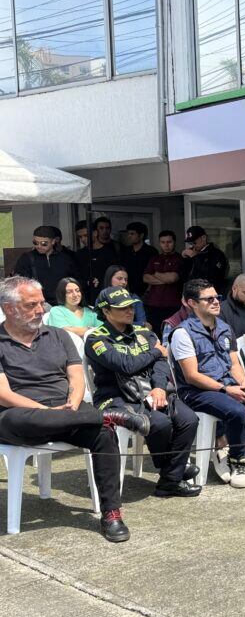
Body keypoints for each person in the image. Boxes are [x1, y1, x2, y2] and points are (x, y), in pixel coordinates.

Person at [0, 276, 146, 541]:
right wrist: (50, 412)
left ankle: (111, 513)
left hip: (68, 411)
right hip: (21, 418)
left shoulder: (58, 335)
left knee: (103, 434)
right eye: (32, 305)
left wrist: (72, 404)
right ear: (9, 308)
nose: (41, 310)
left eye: (42, 303)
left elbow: (77, 379)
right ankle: (103, 415)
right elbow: (4, 394)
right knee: (16, 419)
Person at [86, 287, 201, 499]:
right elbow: (125, 365)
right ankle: (173, 473)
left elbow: (161, 364)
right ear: (106, 312)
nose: (130, 311)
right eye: (122, 308)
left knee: (189, 420)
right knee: (160, 423)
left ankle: (169, 479)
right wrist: (156, 350)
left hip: (152, 391)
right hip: (117, 397)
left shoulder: (143, 332)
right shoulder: (96, 339)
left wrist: (158, 387)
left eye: (131, 306)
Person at [169, 279, 245, 487]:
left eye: (217, 297)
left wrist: (244, 384)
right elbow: (192, 375)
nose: (216, 302)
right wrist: (227, 389)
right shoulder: (182, 333)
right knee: (237, 410)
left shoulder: (224, 328)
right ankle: (239, 460)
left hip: (228, 385)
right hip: (196, 391)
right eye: (209, 299)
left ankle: (230, 444)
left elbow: (234, 363)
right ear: (192, 303)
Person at [13, 226, 77, 305]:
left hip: (63, 303)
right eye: (35, 243)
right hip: (38, 303)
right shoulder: (26, 258)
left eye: (44, 244)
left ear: (53, 241)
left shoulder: (65, 259)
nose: (39, 246)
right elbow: (19, 281)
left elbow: (75, 281)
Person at [143, 230, 184, 330]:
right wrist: (165, 279)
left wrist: (156, 273)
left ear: (174, 242)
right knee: (153, 333)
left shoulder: (180, 259)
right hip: (153, 304)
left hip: (172, 305)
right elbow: (145, 278)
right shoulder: (155, 259)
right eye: (163, 242)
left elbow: (173, 278)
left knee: (171, 332)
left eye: (169, 242)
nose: (166, 245)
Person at [74, 216, 119, 304]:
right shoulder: (79, 254)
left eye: (86, 235)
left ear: (95, 233)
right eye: (80, 237)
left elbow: (115, 275)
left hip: (106, 297)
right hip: (85, 299)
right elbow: (76, 276)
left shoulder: (109, 253)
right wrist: (86, 282)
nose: (83, 239)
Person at [180, 225, 229, 294]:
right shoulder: (191, 252)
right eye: (190, 243)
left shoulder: (216, 254)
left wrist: (195, 257)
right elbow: (182, 275)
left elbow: (213, 275)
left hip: (210, 294)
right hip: (192, 293)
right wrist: (184, 259)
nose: (193, 245)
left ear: (203, 238)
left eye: (194, 242)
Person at [119, 222, 158, 297]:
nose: (129, 236)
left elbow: (155, 272)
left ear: (141, 235)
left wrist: (148, 291)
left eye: (132, 234)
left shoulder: (151, 252)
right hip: (127, 292)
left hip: (146, 293)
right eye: (128, 234)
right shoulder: (126, 251)